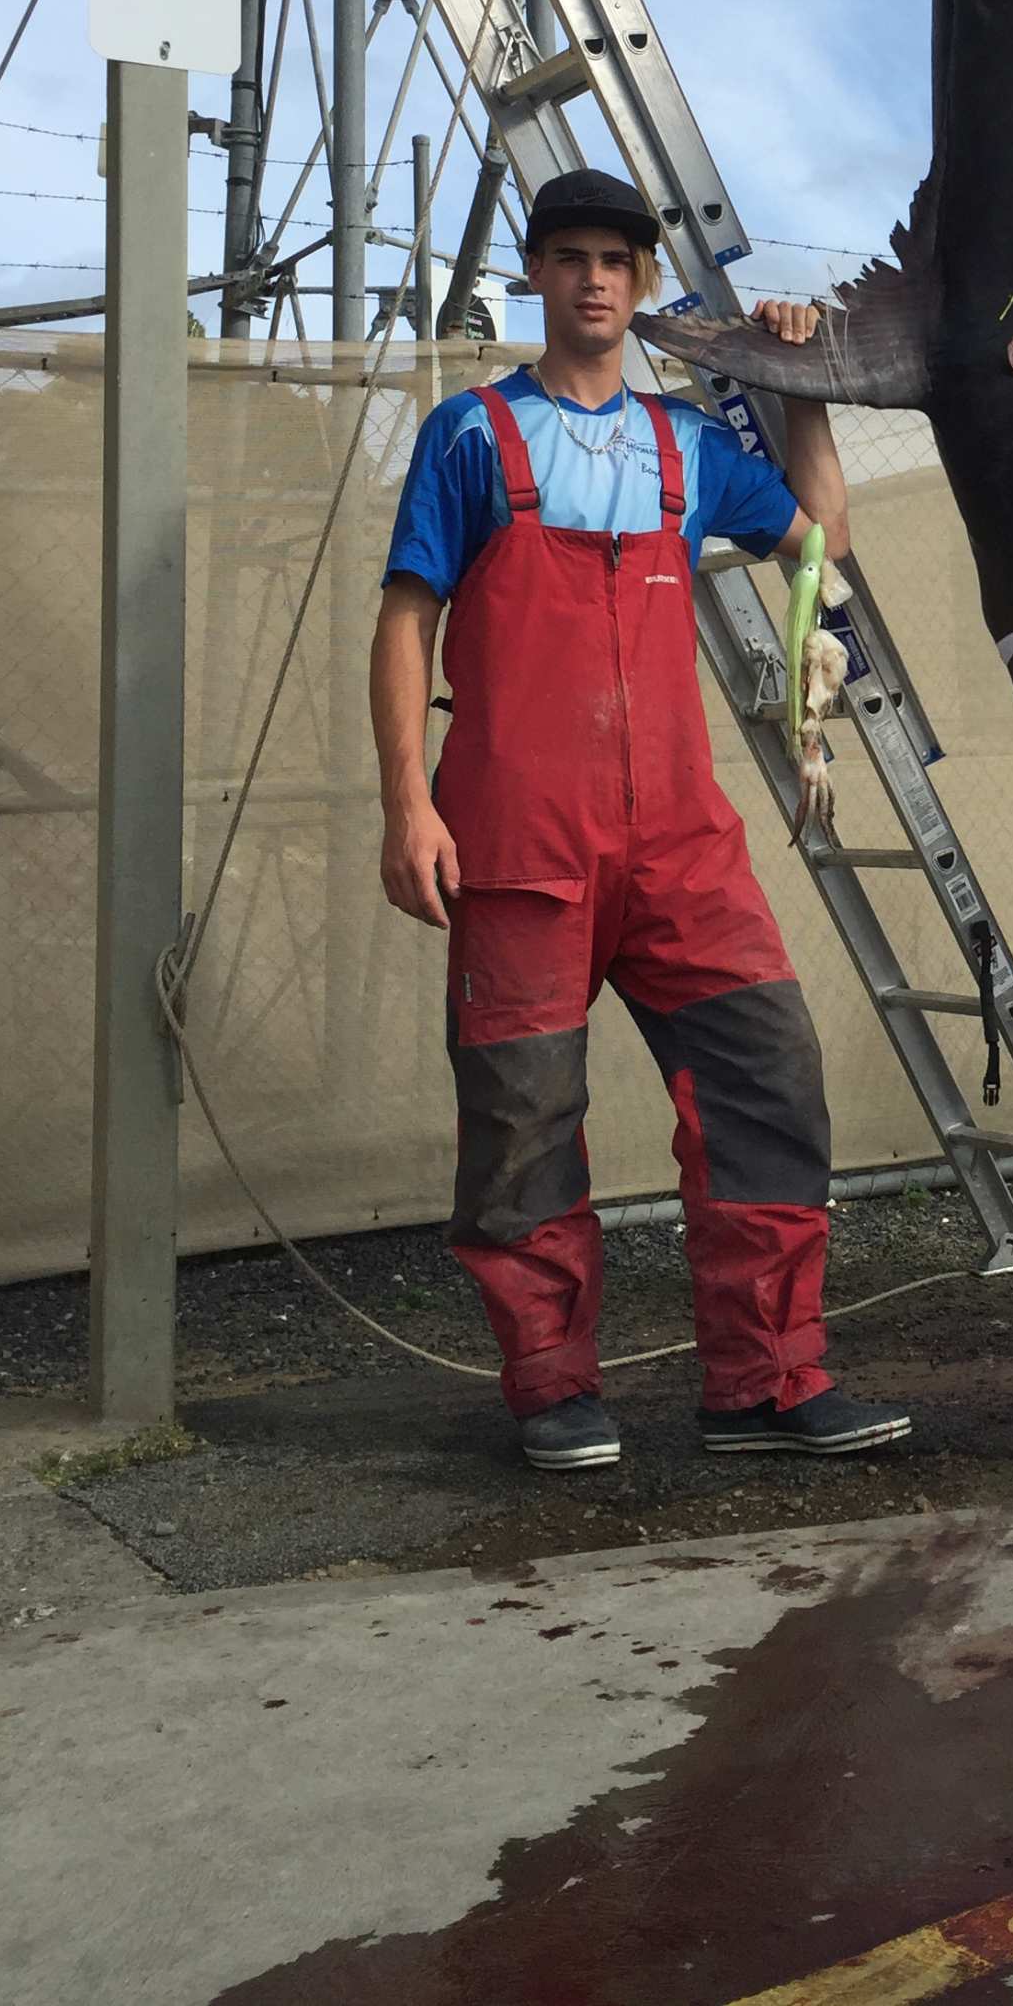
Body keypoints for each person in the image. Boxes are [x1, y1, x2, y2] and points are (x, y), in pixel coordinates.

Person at [370, 167, 913, 1471]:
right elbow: (406, 619)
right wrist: (405, 802)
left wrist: (801, 390)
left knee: (767, 1083)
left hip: (679, 841)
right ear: (540, 275)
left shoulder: (689, 447)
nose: (596, 278)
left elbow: (817, 553)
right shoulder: (468, 435)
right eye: (570, 257)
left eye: (618, 258)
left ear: (639, 277)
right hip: (516, 841)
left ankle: (767, 1385)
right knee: (522, 1116)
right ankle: (553, 1389)